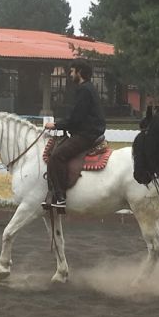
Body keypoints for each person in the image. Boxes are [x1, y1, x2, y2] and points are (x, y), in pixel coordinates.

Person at [43, 58, 107, 209]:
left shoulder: (84, 90)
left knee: (57, 156)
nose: (70, 74)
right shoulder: (88, 88)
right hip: (88, 131)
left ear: (79, 72)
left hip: (87, 134)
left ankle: (60, 197)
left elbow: (77, 118)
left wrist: (56, 125)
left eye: (72, 71)